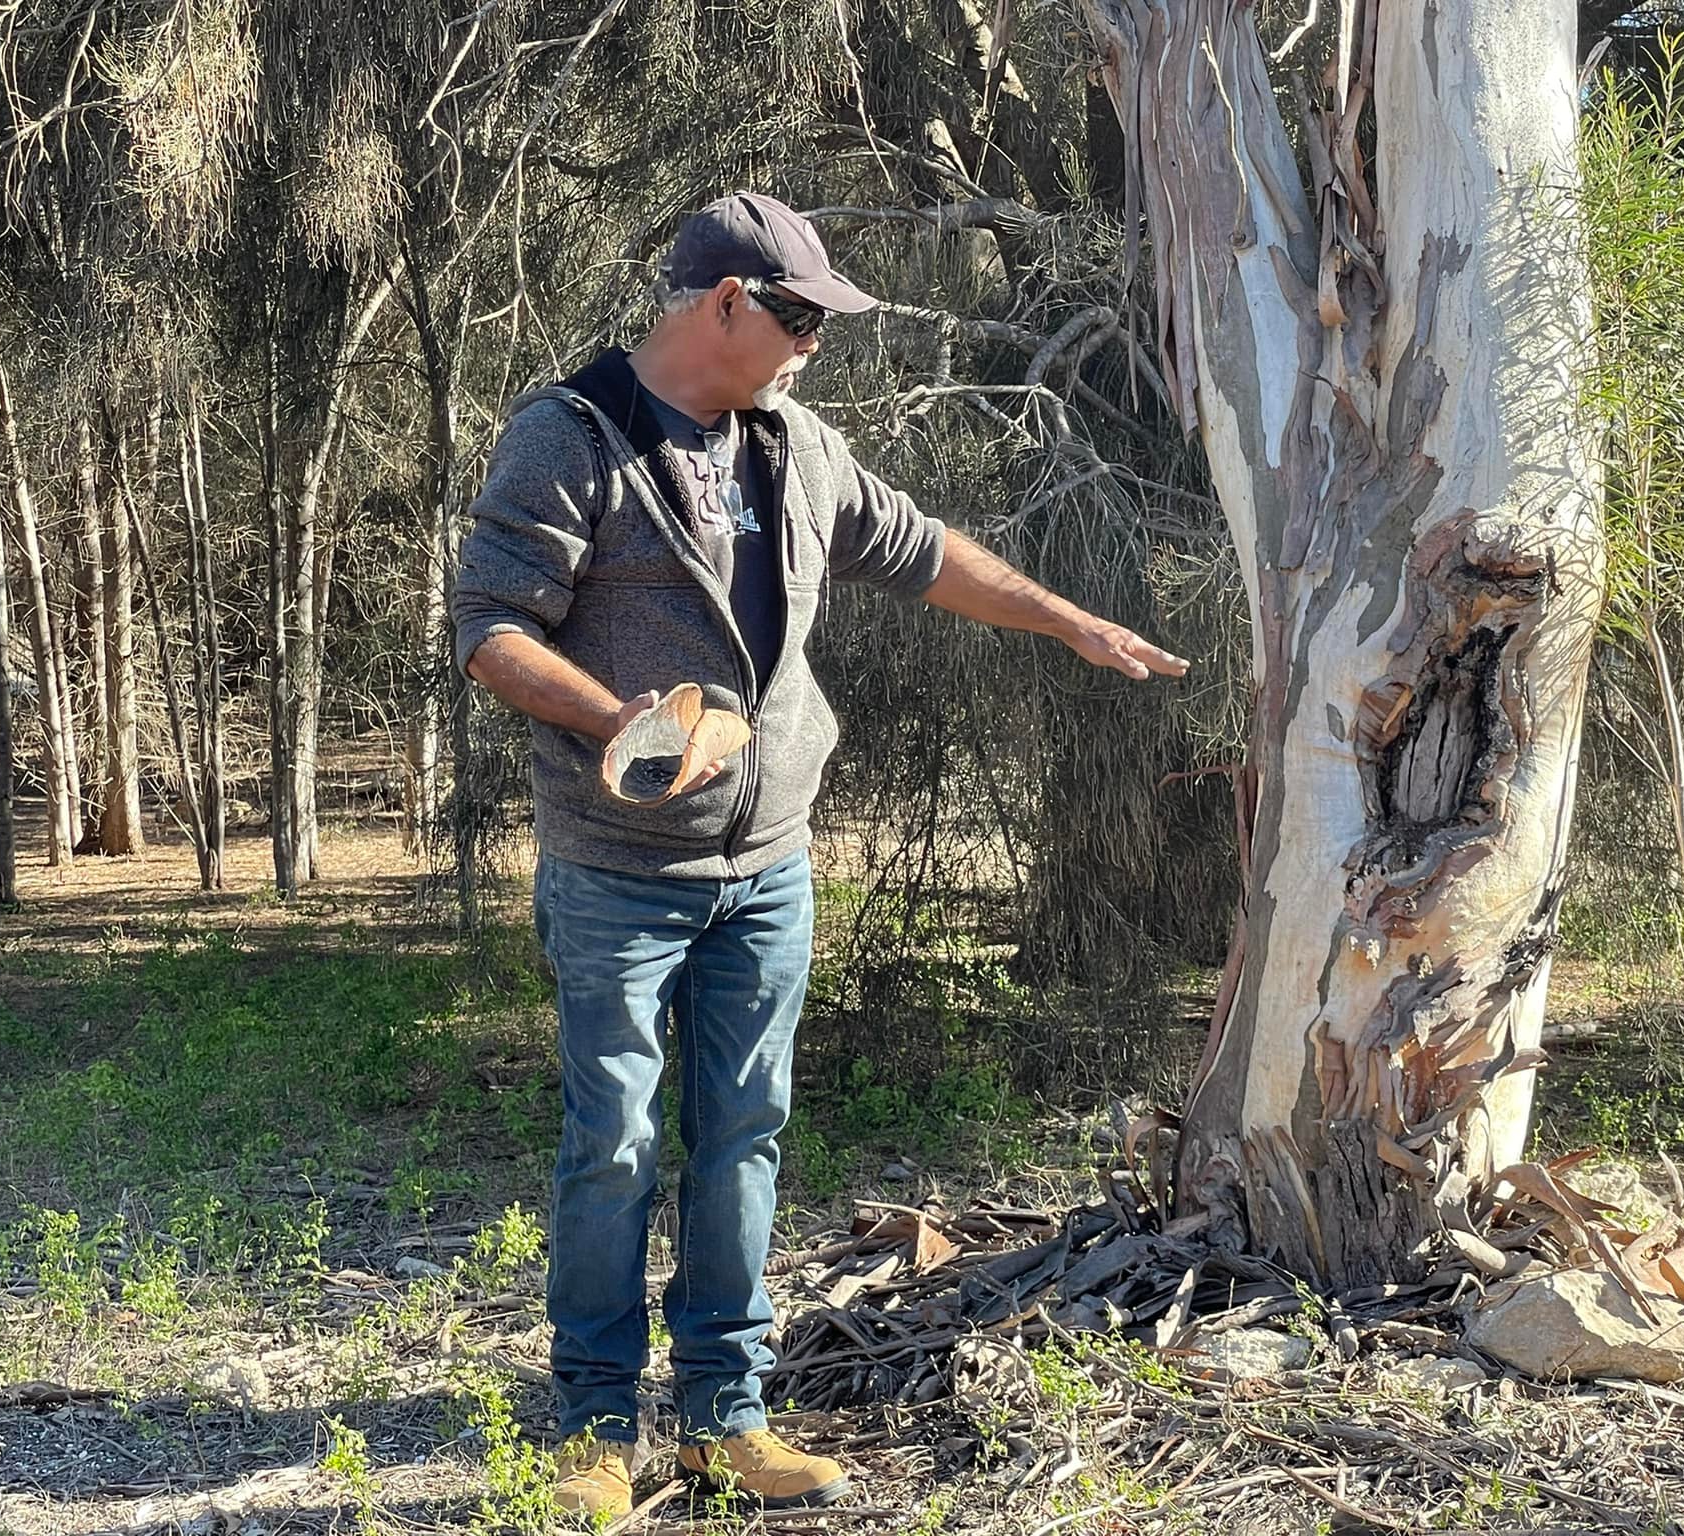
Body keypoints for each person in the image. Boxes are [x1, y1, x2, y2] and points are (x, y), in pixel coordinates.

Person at [452, 190, 1186, 1517]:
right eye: (799, 318)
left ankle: (725, 1415)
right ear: (726, 302)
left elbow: (923, 552)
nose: (813, 345)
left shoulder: (795, 447)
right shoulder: (571, 437)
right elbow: (493, 628)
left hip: (768, 869)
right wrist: (620, 723)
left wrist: (1068, 621)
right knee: (613, 1144)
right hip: (620, 872)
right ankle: (596, 1425)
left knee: (744, 1137)